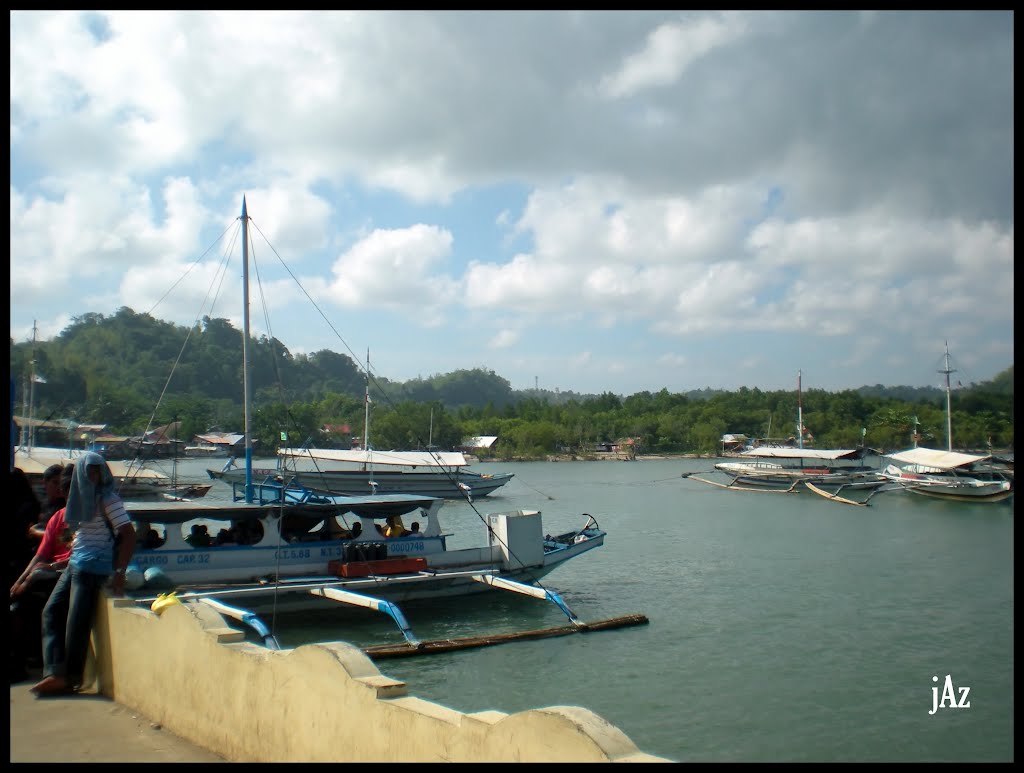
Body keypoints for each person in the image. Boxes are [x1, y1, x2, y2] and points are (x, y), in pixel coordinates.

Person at [31, 452, 137, 697]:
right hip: (75, 563)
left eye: (97, 471)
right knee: (51, 611)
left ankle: (69, 678)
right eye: (89, 471)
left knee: (76, 624)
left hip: (93, 567)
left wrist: (119, 572)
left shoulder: (108, 500)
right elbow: (79, 537)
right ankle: (55, 672)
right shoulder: (80, 498)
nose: (93, 476)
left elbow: (129, 535)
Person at [11, 464, 75, 680]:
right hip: (44, 571)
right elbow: (40, 554)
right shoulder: (56, 516)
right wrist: (19, 581)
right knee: (19, 604)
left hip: (62, 572)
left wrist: (48, 567)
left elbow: (71, 553)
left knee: (42, 601)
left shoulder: (83, 519)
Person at [28, 464, 67, 543]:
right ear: (45, 482)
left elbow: (65, 537)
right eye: (55, 482)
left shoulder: (66, 507)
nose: (59, 487)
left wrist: (36, 533)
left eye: (62, 483)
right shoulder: (41, 504)